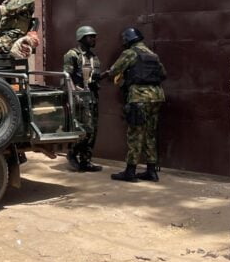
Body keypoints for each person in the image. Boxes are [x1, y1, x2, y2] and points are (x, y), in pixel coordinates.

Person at [101, 27, 167, 183]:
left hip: (139, 98)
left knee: (135, 134)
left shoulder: (130, 53)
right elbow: (163, 74)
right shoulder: (153, 55)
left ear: (127, 40)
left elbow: (114, 70)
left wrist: (103, 75)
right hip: (157, 97)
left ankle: (130, 171)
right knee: (150, 134)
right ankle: (151, 171)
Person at [63, 25, 102, 172]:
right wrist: (74, 94)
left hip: (92, 95)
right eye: (90, 36)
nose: (94, 39)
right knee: (84, 128)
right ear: (82, 38)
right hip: (79, 96)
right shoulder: (72, 55)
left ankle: (86, 160)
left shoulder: (93, 57)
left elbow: (93, 77)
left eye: (94, 36)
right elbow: (67, 77)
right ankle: (72, 152)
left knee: (93, 130)